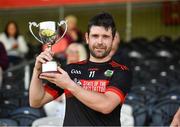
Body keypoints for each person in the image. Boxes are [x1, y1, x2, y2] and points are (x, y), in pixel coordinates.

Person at [29, 12, 132, 126]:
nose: (100, 42)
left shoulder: (121, 71)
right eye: (95, 36)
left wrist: (70, 85)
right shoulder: (70, 70)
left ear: (113, 39)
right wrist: (37, 70)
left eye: (105, 37)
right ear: (87, 38)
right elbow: (36, 101)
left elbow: (106, 106)